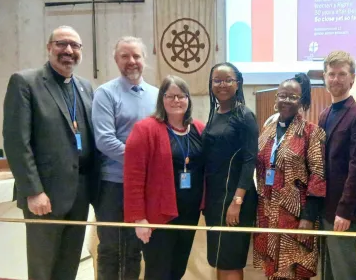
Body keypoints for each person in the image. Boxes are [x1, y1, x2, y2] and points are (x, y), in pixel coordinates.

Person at [2, 26, 99, 280]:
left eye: (75, 46)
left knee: (69, 266)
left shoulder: (85, 87)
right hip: (44, 194)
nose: (68, 50)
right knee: (43, 268)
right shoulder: (25, 82)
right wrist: (34, 191)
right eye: (61, 44)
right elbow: (15, 142)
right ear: (49, 48)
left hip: (80, 192)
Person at [123, 75, 205, 279]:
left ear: (188, 99)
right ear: (162, 99)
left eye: (181, 96)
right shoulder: (145, 129)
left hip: (189, 213)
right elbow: (133, 177)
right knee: (158, 272)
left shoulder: (198, 128)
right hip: (158, 216)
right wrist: (138, 218)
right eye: (171, 96)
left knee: (177, 269)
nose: (176, 101)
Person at [92, 36, 159, 280]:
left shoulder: (157, 95)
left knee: (135, 249)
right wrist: (141, 164)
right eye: (125, 56)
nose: (131, 61)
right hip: (113, 185)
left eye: (136, 56)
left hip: (145, 189)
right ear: (116, 60)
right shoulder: (105, 94)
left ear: (144, 60)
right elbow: (105, 141)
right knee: (111, 249)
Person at [253, 73, 326, 279]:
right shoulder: (267, 130)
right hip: (268, 209)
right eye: (282, 95)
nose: (286, 100)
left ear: (301, 101)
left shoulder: (312, 132)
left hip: (296, 213)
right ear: (276, 98)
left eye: (293, 97)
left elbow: (318, 176)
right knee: (273, 269)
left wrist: (309, 217)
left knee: (294, 269)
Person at [318, 50, 356, 280]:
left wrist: (345, 210)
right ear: (324, 77)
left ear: (352, 78)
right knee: (329, 273)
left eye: (342, 74)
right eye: (331, 74)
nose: (336, 79)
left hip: (343, 211)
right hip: (325, 206)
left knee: (343, 273)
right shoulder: (324, 114)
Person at [201, 62, 258, 280]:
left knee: (231, 259)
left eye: (227, 80)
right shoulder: (214, 114)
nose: (222, 84)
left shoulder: (244, 115)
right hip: (215, 199)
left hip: (236, 198)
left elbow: (249, 160)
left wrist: (237, 201)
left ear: (238, 83)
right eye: (217, 80)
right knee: (218, 258)